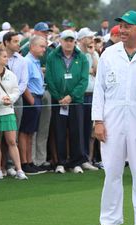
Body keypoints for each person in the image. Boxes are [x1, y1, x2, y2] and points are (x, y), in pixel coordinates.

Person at [91, 10, 136, 225]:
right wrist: (98, 121)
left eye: (128, 26)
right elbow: (99, 89)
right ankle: (109, 221)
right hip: (112, 118)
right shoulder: (109, 54)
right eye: (121, 26)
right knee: (112, 170)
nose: (123, 30)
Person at [46, 30, 89, 174]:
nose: (69, 43)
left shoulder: (81, 57)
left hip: (75, 101)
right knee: (59, 132)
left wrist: (71, 96)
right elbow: (50, 79)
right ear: (61, 41)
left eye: (71, 40)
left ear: (75, 42)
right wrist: (59, 97)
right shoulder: (52, 56)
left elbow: (84, 80)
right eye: (66, 40)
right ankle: (60, 162)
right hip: (58, 102)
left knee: (76, 131)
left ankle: (76, 162)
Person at [0, 49, 28, 180]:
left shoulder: (11, 75)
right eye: (4, 57)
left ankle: (19, 170)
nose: (7, 59)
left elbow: (16, 91)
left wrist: (9, 99)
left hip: (8, 110)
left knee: (11, 141)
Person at [18, 36, 47, 175]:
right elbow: (24, 84)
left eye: (44, 46)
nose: (44, 49)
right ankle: (24, 163)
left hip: (37, 99)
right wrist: (32, 102)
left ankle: (30, 161)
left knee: (31, 132)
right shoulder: (27, 62)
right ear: (32, 47)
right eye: (41, 46)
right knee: (25, 132)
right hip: (31, 99)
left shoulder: (35, 61)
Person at [77, 27, 100, 171]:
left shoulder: (94, 53)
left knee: (89, 129)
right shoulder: (77, 54)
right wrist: (89, 70)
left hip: (93, 94)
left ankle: (88, 158)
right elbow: (81, 73)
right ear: (82, 39)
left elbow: (97, 71)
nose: (92, 40)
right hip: (81, 95)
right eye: (89, 37)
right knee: (79, 128)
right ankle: (81, 157)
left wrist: (92, 55)